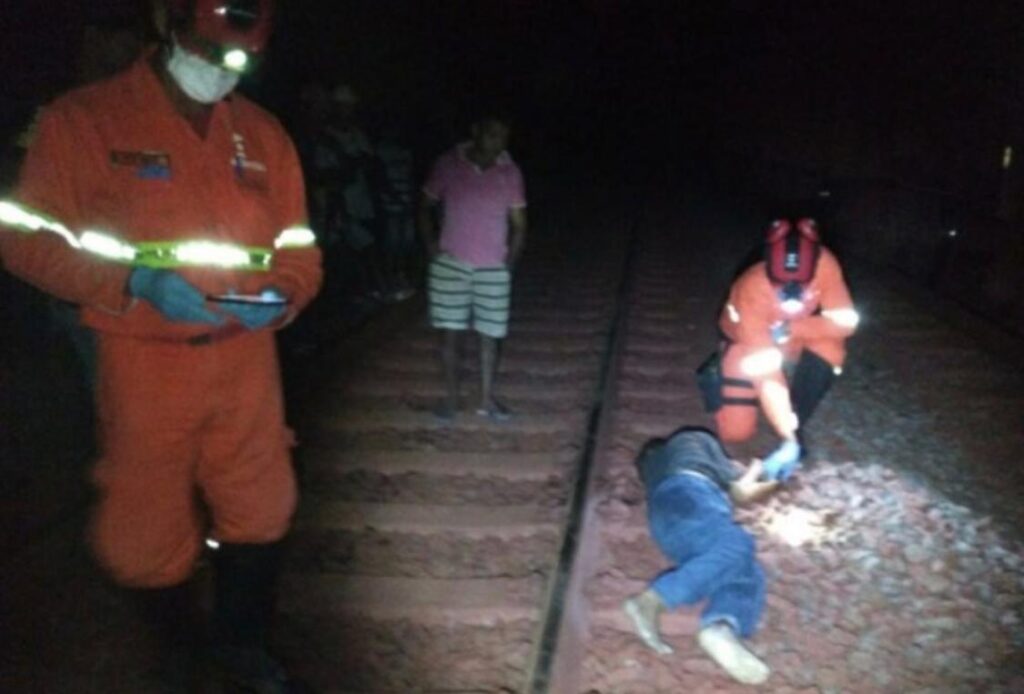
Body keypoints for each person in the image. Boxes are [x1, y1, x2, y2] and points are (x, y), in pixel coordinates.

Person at [0, 1, 321, 691]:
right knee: (142, 526)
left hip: (245, 357)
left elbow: (298, 246)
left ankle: (241, 642)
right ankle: (176, 651)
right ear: (169, 28)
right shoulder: (82, 120)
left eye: (239, 62)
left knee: (263, 506)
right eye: (209, 53)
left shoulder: (264, 136)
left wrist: (287, 295)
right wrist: (132, 279)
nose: (220, 72)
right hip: (142, 356)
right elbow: (20, 237)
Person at [699, 218, 859, 481]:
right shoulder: (751, 287)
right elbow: (767, 373)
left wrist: (791, 330)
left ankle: (796, 419)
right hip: (747, 344)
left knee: (830, 345)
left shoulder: (826, 265)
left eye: (801, 284)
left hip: (786, 334)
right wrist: (787, 435)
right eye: (781, 284)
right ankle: (780, 421)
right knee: (735, 433)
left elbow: (846, 321)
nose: (792, 291)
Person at [622, 428, 778, 686]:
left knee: (746, 571)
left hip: (668, 526)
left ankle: (722, 625)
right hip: (690, 496)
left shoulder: (655, 475)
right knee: (739, 543)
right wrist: (766, 474)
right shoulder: (693, 439)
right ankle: (653, 600)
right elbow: (741, 492)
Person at [418, 112, 527, 422]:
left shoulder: (511, 173)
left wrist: (509, 263)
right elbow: (425, 206)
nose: (498, 142)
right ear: (476, 131)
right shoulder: (447, 164)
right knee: (450, 334)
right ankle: (451, 401)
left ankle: (487, 400)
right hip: (450, 263)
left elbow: (520, 223)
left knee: (490, 335)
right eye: (493, 134)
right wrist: (431, 248)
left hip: (493, 266)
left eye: (503, 137)